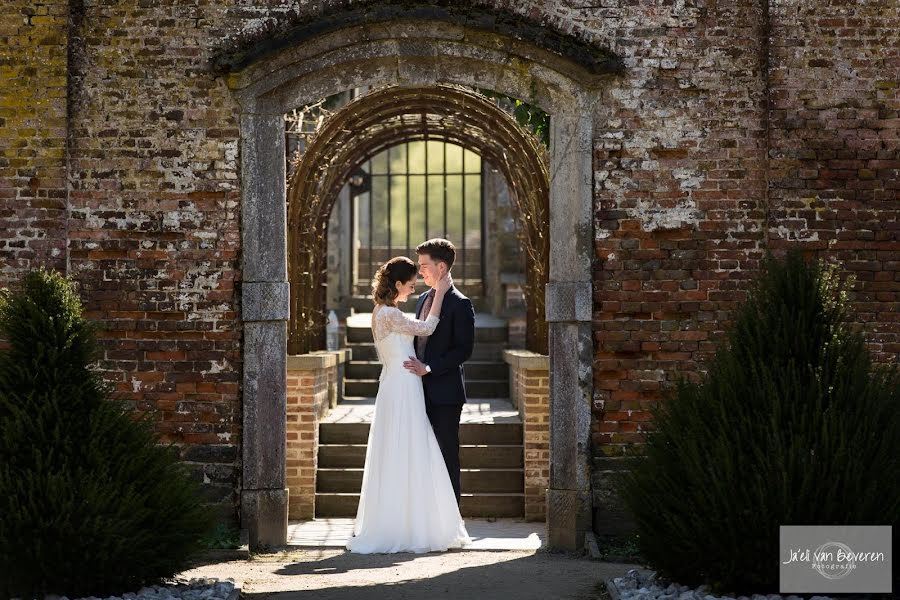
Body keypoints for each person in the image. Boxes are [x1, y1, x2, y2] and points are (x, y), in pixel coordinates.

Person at [345, 256, 472, 554]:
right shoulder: (389, 313)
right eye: (411, 284)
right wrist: (440, 293)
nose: (414, 290)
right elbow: (427, 328)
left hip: (395, 383)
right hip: (402, 386)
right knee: (409, 448)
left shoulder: (383, 311)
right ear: (398, 284)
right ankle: (407, 525)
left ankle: (403, 520)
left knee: (401, 450)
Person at [403, 238, 475, 505]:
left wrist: (429, 368)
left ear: (441, 267)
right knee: (420, 456)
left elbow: (463, 351)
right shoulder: (422, 298)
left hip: (445, 394)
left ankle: (451, 519)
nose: (419, 271)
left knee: (446, 456)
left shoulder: (460, 304)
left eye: (424, 266)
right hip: (415, 391)